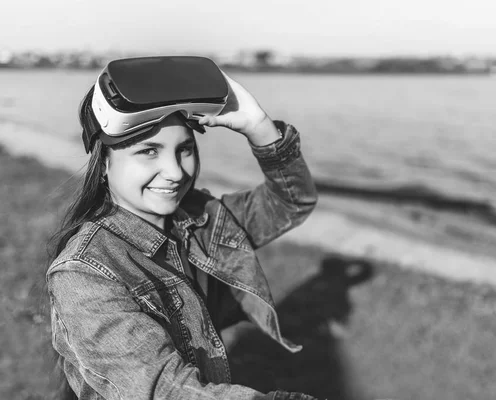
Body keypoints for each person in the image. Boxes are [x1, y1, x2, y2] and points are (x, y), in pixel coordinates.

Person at [46, 58, 318, 399]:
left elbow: (291, 202)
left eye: (184, 149)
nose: (174, 172)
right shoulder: (84, 273)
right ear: (103, 164)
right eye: (149, 151)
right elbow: (163, 389)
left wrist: (258, 126)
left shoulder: (201, 219)